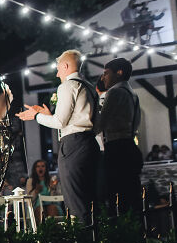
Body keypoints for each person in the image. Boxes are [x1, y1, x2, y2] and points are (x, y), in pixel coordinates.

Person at [17, 50, 99, 225]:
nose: (57, 73)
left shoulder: (67, 86)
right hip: (90, 144)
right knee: (90, 197)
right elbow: (91, 123)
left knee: (75, 198)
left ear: (66, 66)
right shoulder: (89, 87)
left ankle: (82, 242)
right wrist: (49, 114)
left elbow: (60, 122)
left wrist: (36, 117)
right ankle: (97, 239)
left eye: (58, 69)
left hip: (73, 146)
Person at [96, 57, 143, 215]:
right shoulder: (132, 94)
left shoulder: (115, 92)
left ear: (119, 73)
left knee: (116, 197)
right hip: (130, 146)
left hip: (117, 149)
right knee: (132, 197)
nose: (103, 77)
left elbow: (101, 122)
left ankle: (120, 236)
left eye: (106, 73)